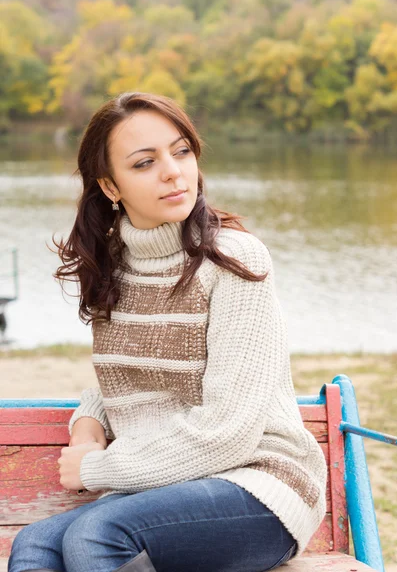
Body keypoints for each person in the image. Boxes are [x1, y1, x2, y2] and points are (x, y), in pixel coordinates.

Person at [8, 92, 327, 572]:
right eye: (144, 163)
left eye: (181, 152)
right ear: (111, 187)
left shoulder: (235, 261)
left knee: (96, 535)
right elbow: (131, 378)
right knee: (36, 544)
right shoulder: (111, 271)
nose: (173, 171)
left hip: (260, 486)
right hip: (162, 491)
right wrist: (89, 420)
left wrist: (96, 468)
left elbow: (229, 433)